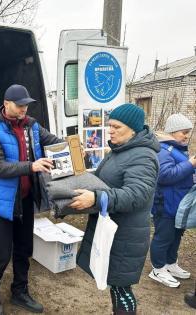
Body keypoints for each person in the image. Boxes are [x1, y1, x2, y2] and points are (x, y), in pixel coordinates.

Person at [70, 103, 160, 315]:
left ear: (133, 129)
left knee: (122, 288)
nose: (110, 130)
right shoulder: (120, 150)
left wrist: (96, 197)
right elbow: (105, 180)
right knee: (115, 284)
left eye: (116, 127)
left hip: (126, 235)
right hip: (114, 230)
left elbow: (136, 195)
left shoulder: (143, 156)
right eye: (110, 125)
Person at [0, 84, 61, 315]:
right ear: (6, 104)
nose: (24, 109)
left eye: (26, 105)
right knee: (2, 251)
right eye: (20, 105)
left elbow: (54, 141)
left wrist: (76, 148)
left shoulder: (32, 125)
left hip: (25, 198)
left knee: (25, 248)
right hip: (3, 201)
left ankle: (20, 291)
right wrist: (31, 166)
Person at [148, 113, 195, 287]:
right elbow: (165, 176)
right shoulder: (162, 150)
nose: (186, 135)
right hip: (165, 204)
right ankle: (158, 269)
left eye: (188, 132)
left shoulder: (178, 149)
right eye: (184, 132)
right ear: (173, 132)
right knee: (164, 237)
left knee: (176, 236)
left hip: (178, 205)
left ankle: (170, 263)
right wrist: (190, 165)